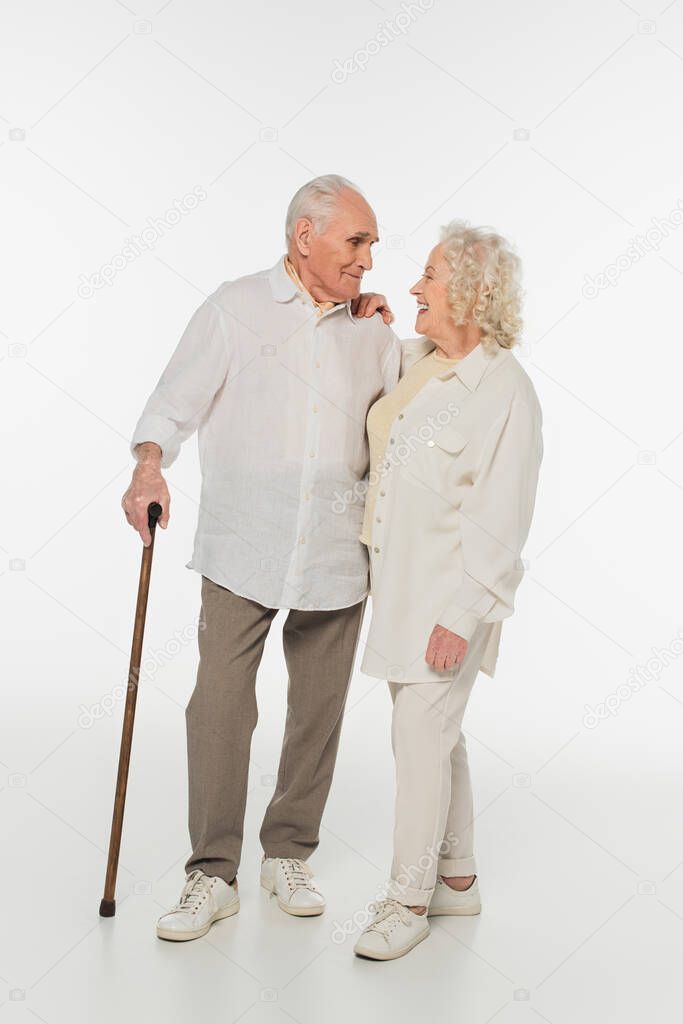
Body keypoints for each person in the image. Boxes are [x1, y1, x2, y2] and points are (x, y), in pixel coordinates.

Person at [121, 174, 400, 941]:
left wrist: (393, 326)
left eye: (372, 243)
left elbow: (401, 425)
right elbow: (172, 402)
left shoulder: (370, 329)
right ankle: (211, 873)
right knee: (218, 706)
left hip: (337, 553)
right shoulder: (234, 308)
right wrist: (150, 467)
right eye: (357, 240)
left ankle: (288, 851)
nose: (369, 259)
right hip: (244, 544)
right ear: (303, 236)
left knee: (318, 712)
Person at [352, 220, 544, 961]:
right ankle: (456, 881)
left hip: (447, 603)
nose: (413, 286)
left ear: (468, 291)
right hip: (398, 591)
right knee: (437, 737)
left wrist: (463, 615)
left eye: (429, 276)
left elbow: (503, 520)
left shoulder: (505, 394)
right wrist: (369, 324)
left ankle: (407, 899)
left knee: (417, 741)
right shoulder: (423, 364)